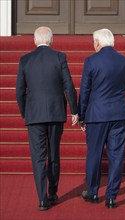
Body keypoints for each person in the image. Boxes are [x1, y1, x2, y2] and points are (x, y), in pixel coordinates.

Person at [16, 26, 78, 211]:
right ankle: (52, 192)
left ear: (35, 41)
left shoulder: (25, 60)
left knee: (38, 157)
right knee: (53, 153)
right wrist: (75, 111)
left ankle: (42, 199)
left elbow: (20, 91)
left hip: (34, 115)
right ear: (51, 40)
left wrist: (25, 113)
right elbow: (69, 86)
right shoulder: (59, 57)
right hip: (56, 112)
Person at [78, 29, 125, 208]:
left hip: (97, 115)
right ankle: (111, 197)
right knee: (116, 156)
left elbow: (85, 90)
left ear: (97, 42)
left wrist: (82, 115)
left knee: (94, 154)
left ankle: (93, 193)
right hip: (120, 114)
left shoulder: (91, 61)